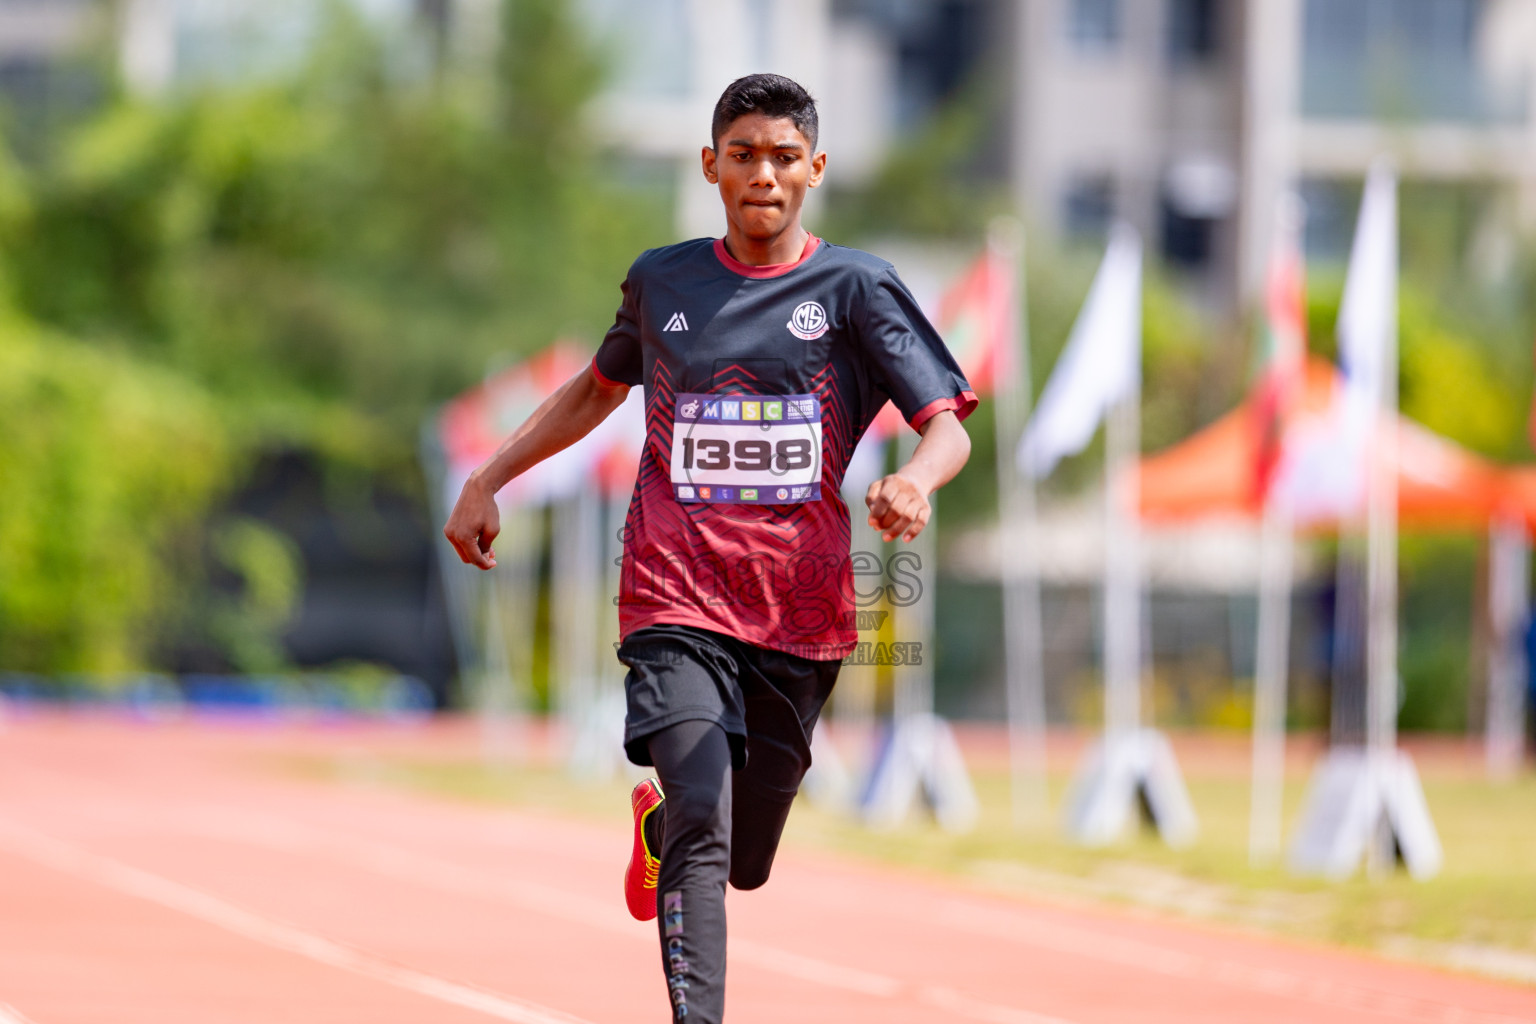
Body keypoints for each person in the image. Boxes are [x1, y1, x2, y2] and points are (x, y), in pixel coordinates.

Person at [443, 73, 975, 1023]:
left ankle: (668, 834)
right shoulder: (663, 281)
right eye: (742, 156)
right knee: (700, 810)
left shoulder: (857, 288)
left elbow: (948, 424)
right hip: (671, 592)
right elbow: (596, 391)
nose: (762, 174)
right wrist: (489, 476)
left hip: (799, 609)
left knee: (744, 859)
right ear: (710, 167)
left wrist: (915, 481)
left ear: (815, 168)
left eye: (781, 157)